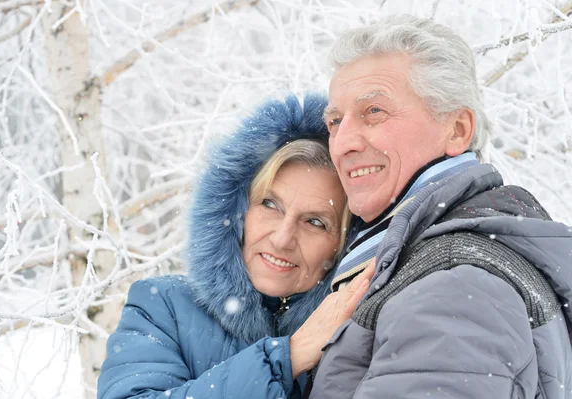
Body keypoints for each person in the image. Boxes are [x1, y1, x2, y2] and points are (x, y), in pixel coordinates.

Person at [306, 15, 572, 398]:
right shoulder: (444, 260)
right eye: (334, 120)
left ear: (458, 130)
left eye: (374, 111)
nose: (342, 142)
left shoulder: (452, 284)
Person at [97, 93, 374, 399]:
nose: (282, 238)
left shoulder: (360, 329)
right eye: (270, 204)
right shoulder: (163, 307)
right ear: (238, 210)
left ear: (343, 245)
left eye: (316, 223)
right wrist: (286, 358)